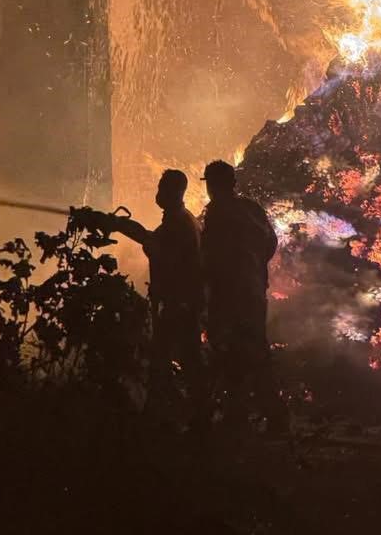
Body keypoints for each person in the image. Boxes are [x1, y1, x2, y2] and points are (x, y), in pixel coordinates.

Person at [79, 170, 207, 425]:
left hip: (175, 304)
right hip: (182, 303)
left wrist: (114, 225)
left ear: (172, 191)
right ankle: (183, 415)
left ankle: (173, 419)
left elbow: (154, 244)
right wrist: (114, 223)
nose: (157, 192)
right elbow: (148, 235)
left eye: (161, 187)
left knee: (169, 362)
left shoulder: (178, 223)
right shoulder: (181, 219)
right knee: (181, 361)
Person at [200, 159, 287, 434]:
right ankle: (271, 415)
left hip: (228, 295)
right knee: (255, 350)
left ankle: (238, 414)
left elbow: (210, 256)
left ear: (212, 186)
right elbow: (271, 243)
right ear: (233, 183)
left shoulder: (216, 213)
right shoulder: (252, 209)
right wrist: (255, 269)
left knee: (229, 351)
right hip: (253, 291)